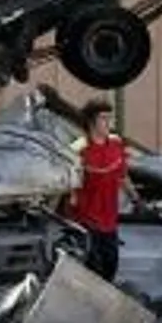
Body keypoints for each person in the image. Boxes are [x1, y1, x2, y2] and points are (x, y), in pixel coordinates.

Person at [66, 99, 127, 282]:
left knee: (111, 266)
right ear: (92, 121)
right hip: (85, 220)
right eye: (103, 118)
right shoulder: (78, 149)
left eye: (110, 118)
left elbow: (123, 176)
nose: (108, 123)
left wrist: (137, 200)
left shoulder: (116, 144)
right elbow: (67, 184)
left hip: (110, 220)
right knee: (93, 271)